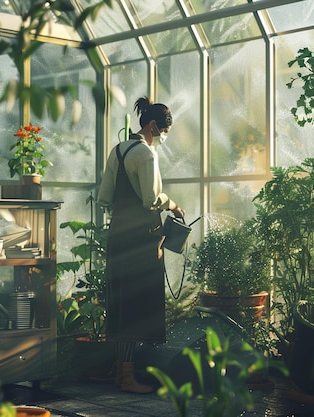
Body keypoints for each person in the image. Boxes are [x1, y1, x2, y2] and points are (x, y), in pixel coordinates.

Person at [97, 96, 185, 394]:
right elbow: (151, 199)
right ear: (151, 126)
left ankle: (121, 374)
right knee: (136, 306)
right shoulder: (146, 154)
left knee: (122, 303)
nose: (162, 138)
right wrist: (173, 205)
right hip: (141, 239)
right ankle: (128, 378)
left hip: (117, 237)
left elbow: (104, 198)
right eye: (163, 132)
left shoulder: (118, 150)